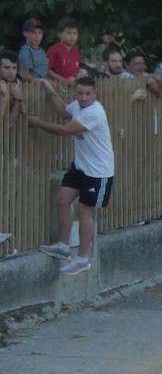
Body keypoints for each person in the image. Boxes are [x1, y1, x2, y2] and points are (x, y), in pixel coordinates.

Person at [26, 75, 114, 276]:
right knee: (62, 199)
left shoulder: (95, 112)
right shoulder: (79, 106)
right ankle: (63, 246)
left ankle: (83, 258)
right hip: (80, 167)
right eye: (80, 93)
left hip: (98, 172)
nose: (83, 98)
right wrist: (49, 89)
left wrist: (38, 123)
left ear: (95, 93)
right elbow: (63, 110)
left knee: (85, 211)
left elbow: (66, 130)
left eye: (87, 94)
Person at [0, 50, 24, 125]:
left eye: (14, 68)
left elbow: (24, 111)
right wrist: (18, 98)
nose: (11, 72)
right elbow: (9, 124)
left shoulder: (13, 84)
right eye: (7, 68)